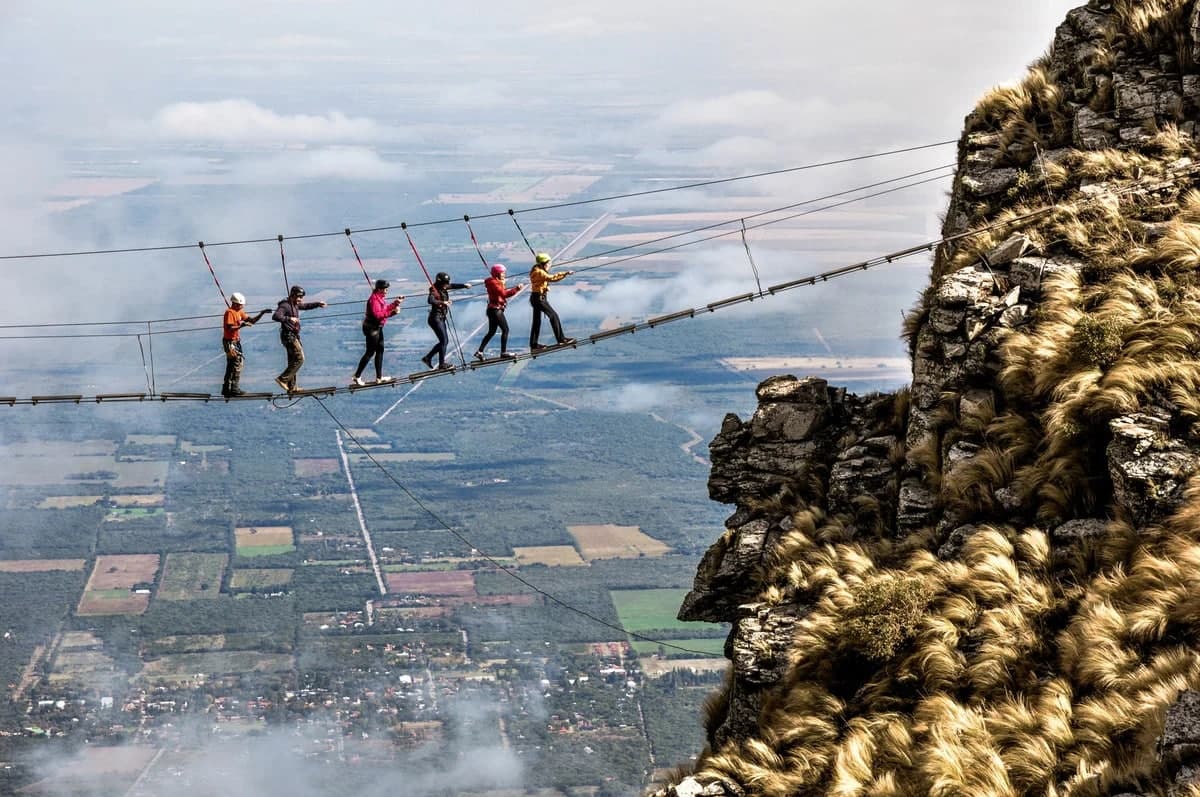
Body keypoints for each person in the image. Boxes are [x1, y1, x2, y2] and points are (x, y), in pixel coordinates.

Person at [272, 284, 327, 393]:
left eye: (301, 297)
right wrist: (289, 318)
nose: (300, 300)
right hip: (289, 337)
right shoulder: (286, 305)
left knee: (293, 361)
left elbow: (305, 306)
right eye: (299, 297)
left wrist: (317, 304)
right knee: (299, 358)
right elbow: (276, 316)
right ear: (292, 295)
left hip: (291, 336)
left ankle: (292, 387)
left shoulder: (294, 304)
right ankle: (282, 379)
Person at [352, 279, 403, 386]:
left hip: (377, 328)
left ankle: (379, 377)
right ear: (379, 289)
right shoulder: (374, 300)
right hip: (372, 329)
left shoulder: (379, 298)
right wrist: (392, 313)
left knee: (380, 350)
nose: (386, 291)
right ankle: (357, 376)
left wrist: (395, 303)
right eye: (385, 289)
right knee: (370, 352)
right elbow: (378, 315)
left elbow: (384, 309)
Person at [221, 292, 268, 397]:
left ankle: (227, 389)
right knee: (237, 364)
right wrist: (241, 326)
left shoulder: (239, 312)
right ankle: (234, 389)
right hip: (230, 342)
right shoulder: (230, 312)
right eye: (240, 305)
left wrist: (262, 313)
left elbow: (251, 320)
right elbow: (229, 327)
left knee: (231, 365)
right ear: (235, 303)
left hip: (234, 342)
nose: (242, 306)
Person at [421, 272, 470, 370]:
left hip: (440, 318)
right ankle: (440, 363)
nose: (446, 285)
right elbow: (430, 300)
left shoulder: (443, 287)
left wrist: (464, 285)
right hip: (435, 318)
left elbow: (452, 286)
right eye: (445, 283)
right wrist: (443, 302)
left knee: (444, 341)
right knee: (444, 341)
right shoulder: (434, 289)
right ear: (440, 282)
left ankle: (428, 358)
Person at [473, 264, 523, 361]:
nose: (504, 275)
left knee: (491, 332)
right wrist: (517, 288)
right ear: (497, 274)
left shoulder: (494, 282)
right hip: (496, 310)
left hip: (492, 310)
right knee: (505, 330)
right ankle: (503, 352)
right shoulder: (495, 283)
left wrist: (502, 283)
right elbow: (504, 294)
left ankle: (480, 351)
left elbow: (499, 293)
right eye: (502, 273)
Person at [528, 251, 576, 350]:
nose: (550, 265)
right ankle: (561, 339)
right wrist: (565, 273)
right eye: (549, 263)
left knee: (536, 321)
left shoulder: (536, 270)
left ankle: (534, 344)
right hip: (539, 299)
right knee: (554, 316)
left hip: (536, 297)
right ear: (544, 263)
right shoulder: (540, 272)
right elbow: (552, 278)